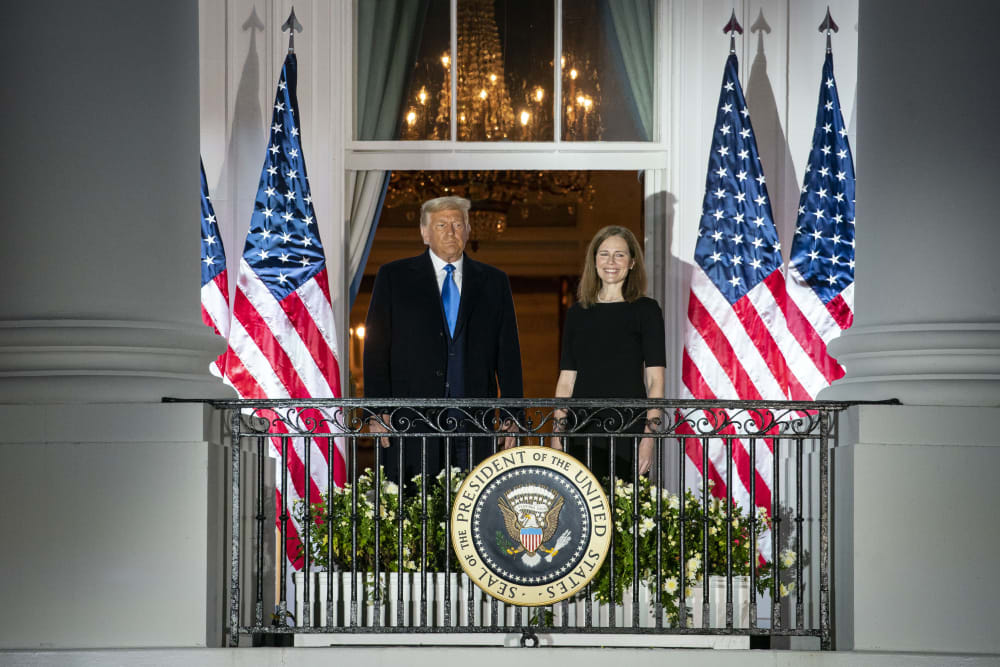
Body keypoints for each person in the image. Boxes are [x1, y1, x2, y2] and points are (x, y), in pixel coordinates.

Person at [363, 196, 523, 486]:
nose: (451, 231)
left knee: (471, 499)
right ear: (424, 233)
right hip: (410, 419)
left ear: (468, 230)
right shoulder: (394, 277)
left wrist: (513, 415)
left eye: (457, 224)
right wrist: (376, 411)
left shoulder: (494, 281)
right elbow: (376, 349)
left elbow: (508, 354)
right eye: (441, 225)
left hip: (474, 420)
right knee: (414, 501)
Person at [551, 225, 666, 482]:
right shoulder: (577, 313)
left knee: (625, 502)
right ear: (594, 261)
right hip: (581, 426)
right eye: (604, 254)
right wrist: (557, 433)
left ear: (632, 262)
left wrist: (650, 436)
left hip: (628, 425)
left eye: (619, 255)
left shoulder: (647, 310)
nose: (611, 262)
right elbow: (566, 380)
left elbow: (655, 380)